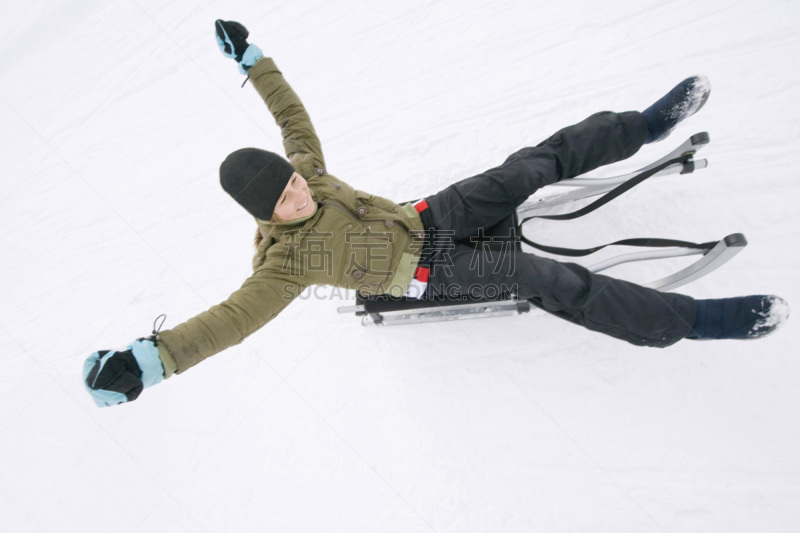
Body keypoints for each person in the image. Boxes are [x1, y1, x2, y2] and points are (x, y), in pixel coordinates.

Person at [83, 20, 789, 408]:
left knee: (528, 168)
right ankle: (691, 323)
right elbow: (229, 321)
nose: (298, 195)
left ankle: (642, 125)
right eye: (285, 203)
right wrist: (153, 360)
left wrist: (254, 60)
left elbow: (290, 115)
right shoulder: (284, 265)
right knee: (540, 275)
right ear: (265, 217)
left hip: (426, 216)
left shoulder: (308, 171)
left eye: (294, 186)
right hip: (424, 271)